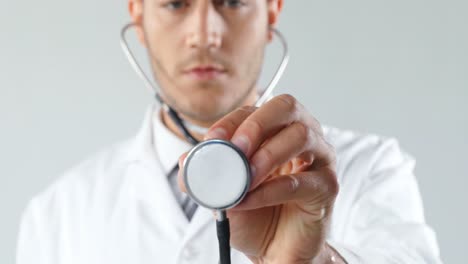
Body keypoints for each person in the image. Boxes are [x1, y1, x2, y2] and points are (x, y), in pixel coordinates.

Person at [16, 0, 443, 263]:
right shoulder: (57, 212)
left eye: (233, 1)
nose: (206, 34)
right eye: (177, 3)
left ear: (272, 11)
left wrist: (312, 262)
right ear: (138, 14)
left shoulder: (370, 169)